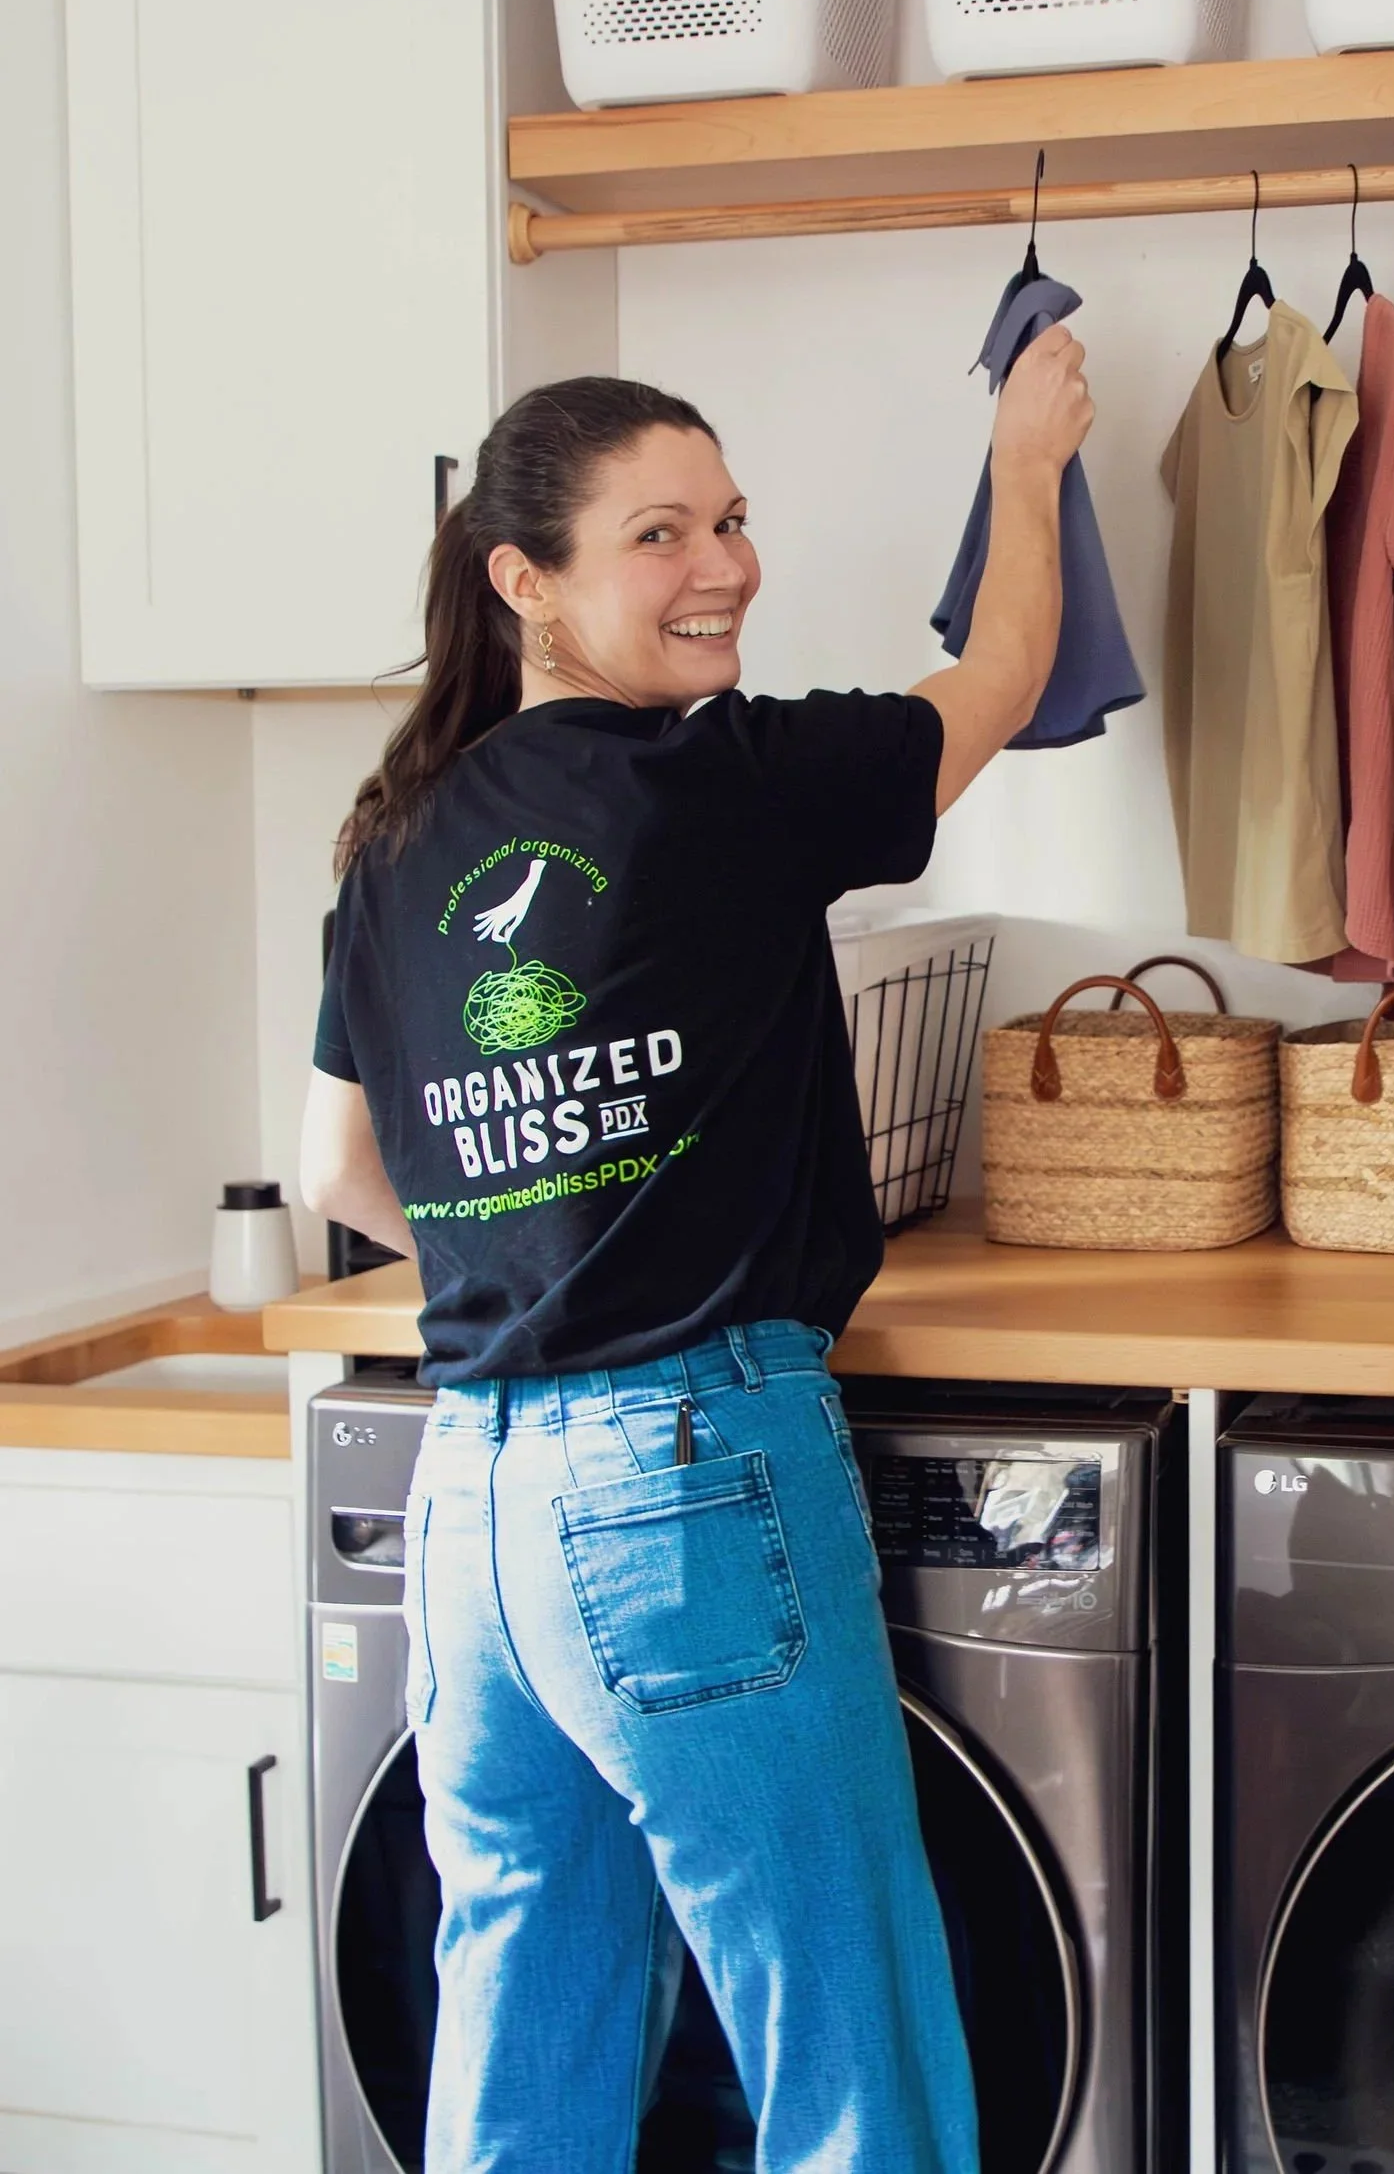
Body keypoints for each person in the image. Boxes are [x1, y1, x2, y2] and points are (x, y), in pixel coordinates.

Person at [300, 334, 1093, 2174]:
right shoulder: (720, 780)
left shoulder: (392, 837)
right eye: (658, 534)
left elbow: (339, 1167)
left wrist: (557, 1239)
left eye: (731, 520)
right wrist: (1029, 461)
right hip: (684, 1480)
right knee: (846, 2048)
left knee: (527, 2047)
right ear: (526, 581)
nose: (722, 565)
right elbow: (1002, 678)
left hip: (472, 1497)